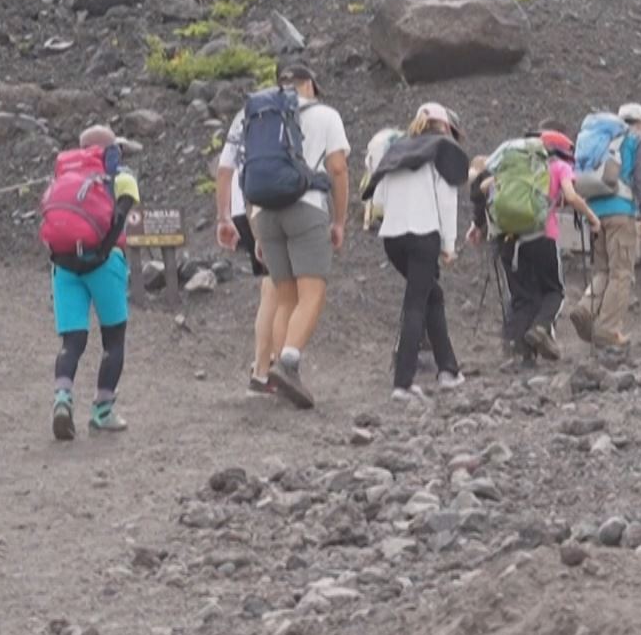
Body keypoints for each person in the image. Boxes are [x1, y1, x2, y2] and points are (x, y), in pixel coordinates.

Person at [220, 61, 350, 410]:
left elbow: (239, 169)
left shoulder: (254, 115)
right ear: (310, 84)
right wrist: (339, 220)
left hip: (264, 212)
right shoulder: (325, 116)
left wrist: (253, 226)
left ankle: (279, 375)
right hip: (306, 206)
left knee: (285, 295)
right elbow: (337, 167)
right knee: (313, 291)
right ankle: (289, 362)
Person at [365, 103, 469, 402]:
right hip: (423, 235)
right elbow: (446, 202)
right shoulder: (442, 150)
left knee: (430, 296)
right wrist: (448, 246)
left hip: (393, 239)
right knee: (416, 303)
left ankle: (448, 369)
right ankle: (403, 382)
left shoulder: (397, 150)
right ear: (446, 127)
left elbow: (380, 196)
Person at [43, 125, 139, 439]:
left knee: (72, 342)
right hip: (105, 263)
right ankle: (102, 409)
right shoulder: (122, 178)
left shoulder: (61, 178)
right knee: (114, 339)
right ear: (111, 150)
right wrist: (102, 250)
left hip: (64, 264)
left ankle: (62, 398)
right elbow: (122, 217)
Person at [471, 130, 599, 366]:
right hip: (542, 237)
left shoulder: (512, 170)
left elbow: (483, 188)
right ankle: (541, 328)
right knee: (554, 291)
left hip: (508, 240)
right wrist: (591, 216)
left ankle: (518, 352)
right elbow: (571, 196)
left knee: (523, 297)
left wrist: (477, 224)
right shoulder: (559, 167)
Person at [567, 103, 641, 350]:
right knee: (621, 271)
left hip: (595, 212)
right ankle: (608, 328)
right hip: (621, 212)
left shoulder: (604, 139)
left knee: (602, 270)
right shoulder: (638, 140)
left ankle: (586, 308)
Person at [215, 129, 282, 396]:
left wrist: (223, 217)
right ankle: (265, 371)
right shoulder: (289, 112)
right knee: (278, 291)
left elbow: (223, 169)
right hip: (270, 207)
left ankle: (267, 366)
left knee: (274, 289)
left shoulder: (243, 118)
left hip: (242, 207)